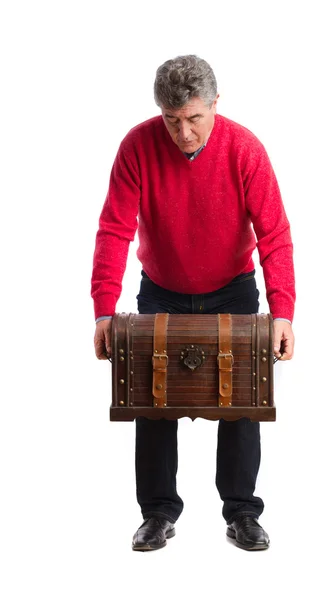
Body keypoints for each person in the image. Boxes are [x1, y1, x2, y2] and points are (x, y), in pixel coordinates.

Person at [91, 55, 295, 552]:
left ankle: (242, 513)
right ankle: (158, 513)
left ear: (215, 105)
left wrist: (283, 310)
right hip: (161, 289)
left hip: (233, 288)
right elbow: (114, 229)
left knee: (243, 403)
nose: (183, 133)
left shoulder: (244, 148)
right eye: (172, 120)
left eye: (194, 119)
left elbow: (275, 235)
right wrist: (103, 308)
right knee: (151, 402)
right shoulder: (137, 145)